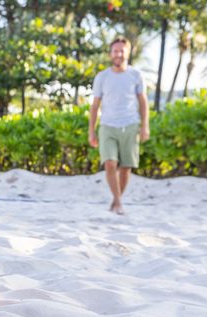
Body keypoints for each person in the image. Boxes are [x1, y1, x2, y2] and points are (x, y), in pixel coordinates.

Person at [88, 36, 150, 215]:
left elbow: (143, 101)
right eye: (115, 51)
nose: (119, 54)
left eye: (122, 51)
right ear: (110, 54)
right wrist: (91, 131)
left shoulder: (136, 75)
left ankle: (116, 201)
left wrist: (145, 126)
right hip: (108, 125)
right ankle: (118, 202)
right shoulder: (102, 77)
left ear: (128, 53)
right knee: (110, 163)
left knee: (125, 168)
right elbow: (95, 106)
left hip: (130, 125)